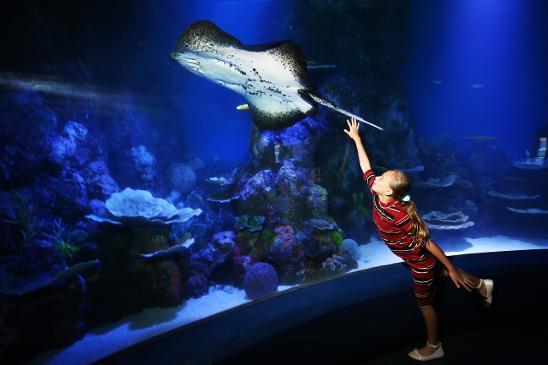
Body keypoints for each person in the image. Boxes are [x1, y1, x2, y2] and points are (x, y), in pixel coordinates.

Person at [343, 117, 494, 361]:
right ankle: (480, 284)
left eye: (382, 178)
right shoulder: (378, 191)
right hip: (416, 259)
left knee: (425, 304)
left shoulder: (399, 213)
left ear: (390, 192)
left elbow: (427, 242)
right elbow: (366, 168)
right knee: (438, 272)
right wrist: (357, 139)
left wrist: (452, 268)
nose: (376, 178)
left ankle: (434, 346)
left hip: (419, 263)